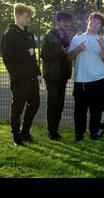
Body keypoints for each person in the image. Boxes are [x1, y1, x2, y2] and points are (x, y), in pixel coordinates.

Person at [67, 12, 104, 141]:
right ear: (88, 21)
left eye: (98, 23)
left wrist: (103, 45)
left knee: (96, 110)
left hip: (99, 80)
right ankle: (79, 134)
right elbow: (68, 57)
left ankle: (94, 133)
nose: (95, 24)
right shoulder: (77, 38)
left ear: (100, 27)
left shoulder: (103, 40)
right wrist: (77, 50)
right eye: (93, 21)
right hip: (80, 80)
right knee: (79, 110)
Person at [1, 3, 41, 146]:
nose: (29, 19)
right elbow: (7, 57)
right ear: (17, 16)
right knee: (17, 108)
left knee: (35, 104)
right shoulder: (9, 35)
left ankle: (25, 133)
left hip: (32, 78)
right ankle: (16, 137)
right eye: (26, 16)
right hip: (19, 79)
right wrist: (26, 53)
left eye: (30, 17)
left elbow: (33, 58)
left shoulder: (29, 34)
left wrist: (38, 73)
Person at [41, 11, 73, 141]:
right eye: (63, 21)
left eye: (68, 21)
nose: (66, 24)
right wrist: (60, 51)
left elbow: (68, 54)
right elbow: (44, 55)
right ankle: (51, 132)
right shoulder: (50, 35)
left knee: (60, 104)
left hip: (63, 75)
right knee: (53, 104)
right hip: (52, 76)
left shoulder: (66, 36)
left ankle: (55, 130)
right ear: (57, 22)